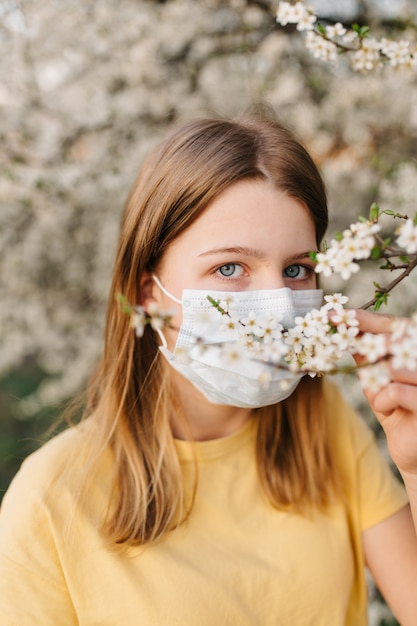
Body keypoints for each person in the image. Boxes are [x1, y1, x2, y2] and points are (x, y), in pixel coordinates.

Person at [1, 109, 417, 626]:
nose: (277, 304)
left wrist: (416, 467)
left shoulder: (324, 425)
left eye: (296, 269)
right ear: (148, 293)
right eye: (229, 268)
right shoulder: (51, 501)